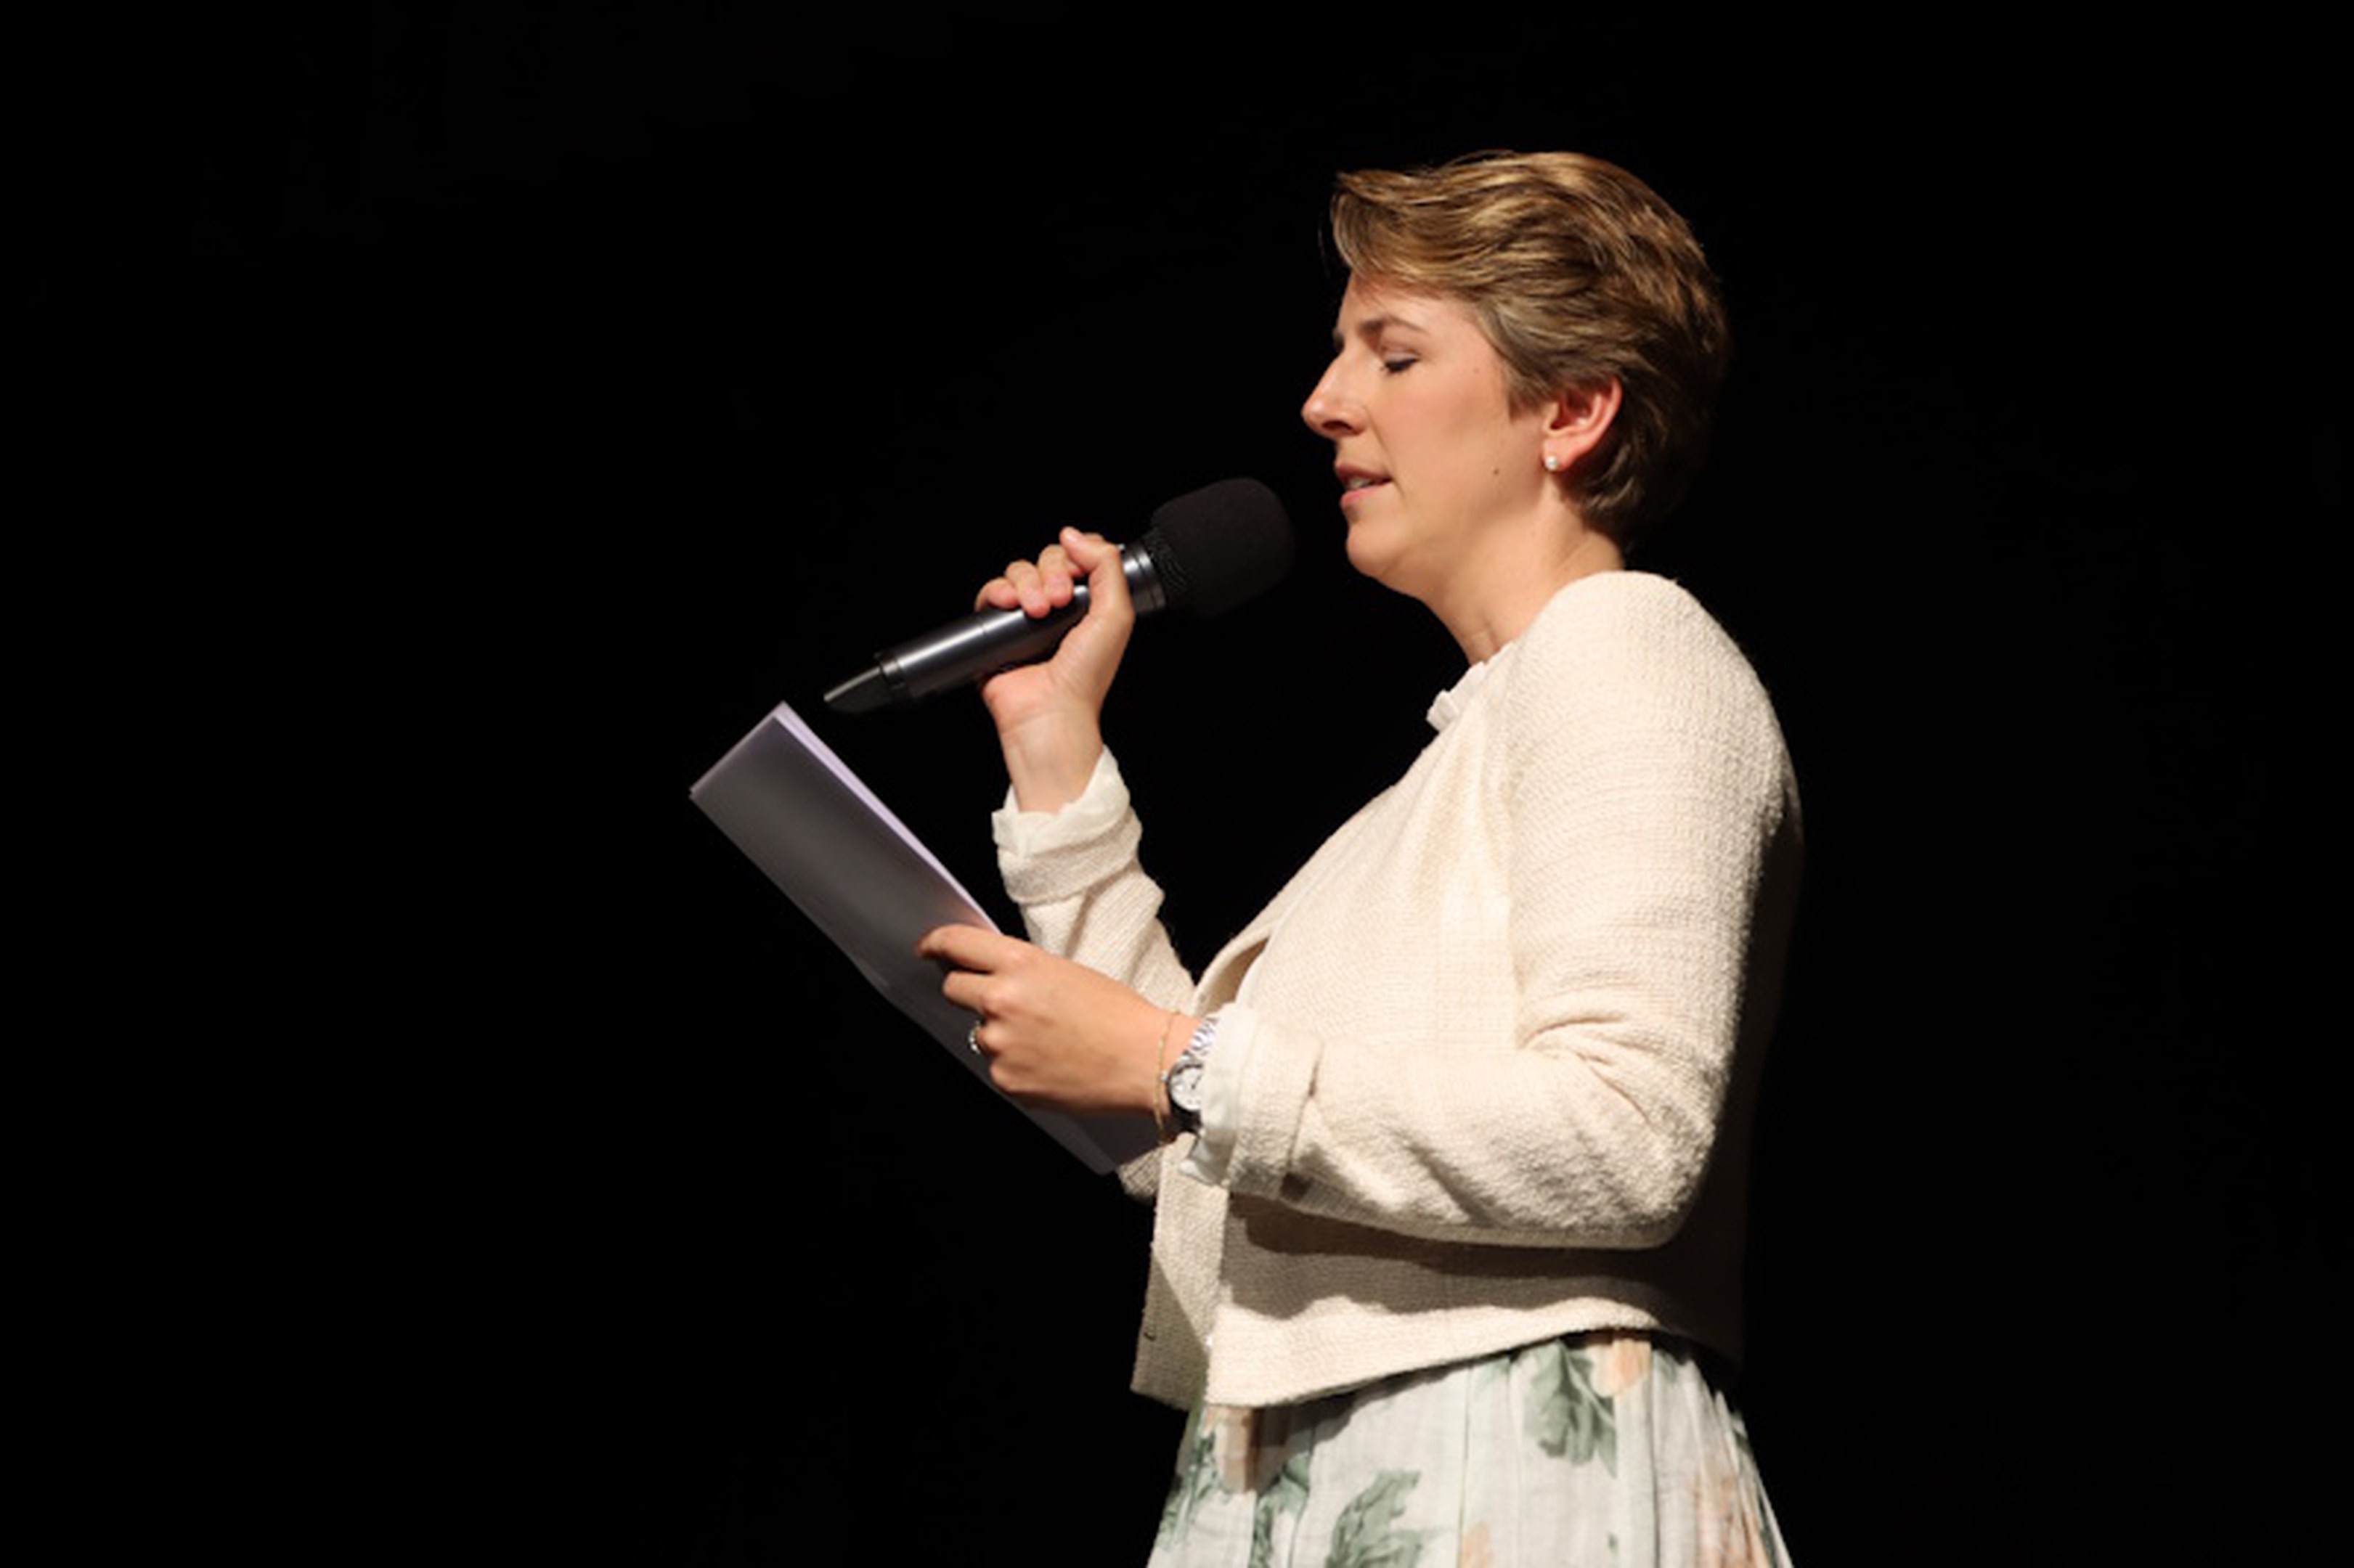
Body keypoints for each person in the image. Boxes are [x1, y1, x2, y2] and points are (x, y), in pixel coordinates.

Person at [917, 150, 1802, 1566]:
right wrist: (1054, 743)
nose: (1324, 401)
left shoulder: (1626, 652)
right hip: (1335, 1464)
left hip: (1496, 1463)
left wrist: (1175, 1064)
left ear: (1571, 411)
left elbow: (1630, 1134)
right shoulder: (1446, 771)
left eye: (1392, 355)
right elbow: (1206, 1139)